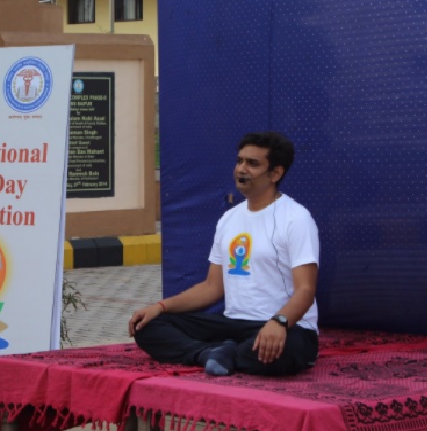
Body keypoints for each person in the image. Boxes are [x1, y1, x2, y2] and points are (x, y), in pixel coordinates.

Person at [129, 131, 319, 377]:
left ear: (275, 173)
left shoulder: (296, 218)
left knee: (287, 350)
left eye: (252, 164)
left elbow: (306, 290)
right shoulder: (229, 219)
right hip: (232, 325)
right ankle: (210, 353)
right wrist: (161, 306)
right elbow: (212, 288)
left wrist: (279, 322)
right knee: (149, 326)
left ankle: (221, 353)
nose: (241, 169)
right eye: (239, 161)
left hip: (285, 325)